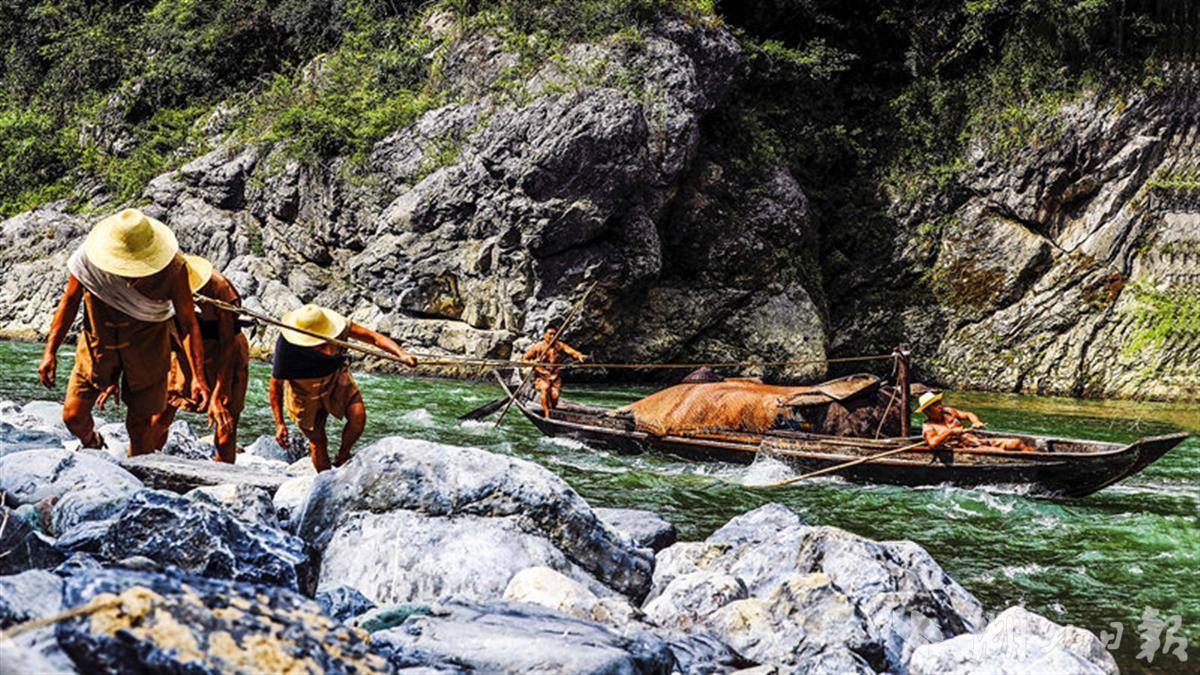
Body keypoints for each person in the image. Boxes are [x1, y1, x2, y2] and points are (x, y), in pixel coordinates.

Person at [38, 209, 209, 455]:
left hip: (148, 350)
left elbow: (188, 324)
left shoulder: (173, 268)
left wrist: (198, 377)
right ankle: (92, 443)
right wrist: (49, 351)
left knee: (140, 428)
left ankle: (137, 479)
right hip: (97, 347)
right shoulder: (88, 259)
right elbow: (69, 302)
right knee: (73, 415)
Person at [268, 304, 417, 472]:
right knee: (318, 442)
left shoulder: (338, 327)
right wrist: (279, 423)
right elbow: (275, 385)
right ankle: (325, 483)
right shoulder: (287, 346)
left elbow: (374, 338)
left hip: (337, 379)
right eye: (318, 344)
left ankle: (343, 455)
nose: (325, 348)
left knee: (358, 416)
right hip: (303, 392)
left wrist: (401, 354)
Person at [135, 255, 249, 463]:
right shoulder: (163, 284)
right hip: (183, 352)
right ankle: (145, 464)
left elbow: (228, 344)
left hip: (223, 354)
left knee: (225, 424)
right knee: (160, 415)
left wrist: (219, 393)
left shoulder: (220, 288)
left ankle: (222, 483)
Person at [917, 392, 1034, 452]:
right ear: (927, 411)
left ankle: (1040, 459)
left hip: (976, 441)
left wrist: (976, 422)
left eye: (939, 402)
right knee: (998, 451)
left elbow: (968, 414)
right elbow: (932, 443)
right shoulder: (929, 426)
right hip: (964, 449)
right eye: (935, 405)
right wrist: (951, 432)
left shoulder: (948, 412)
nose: (939, 406)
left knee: (1017, 443)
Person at [522, 323, 587, 417]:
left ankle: (552, 409)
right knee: (545, 388)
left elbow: (571, 351)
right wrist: (533, 362)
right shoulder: (538, 347)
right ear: (544, 335)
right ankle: (547, 414)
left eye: (554, 334)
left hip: (555, 375)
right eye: (550, 334)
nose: (552, 336)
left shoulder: (559, 346)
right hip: (542, 375)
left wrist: (579, 356)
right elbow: (524, 359)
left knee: (554, 396)